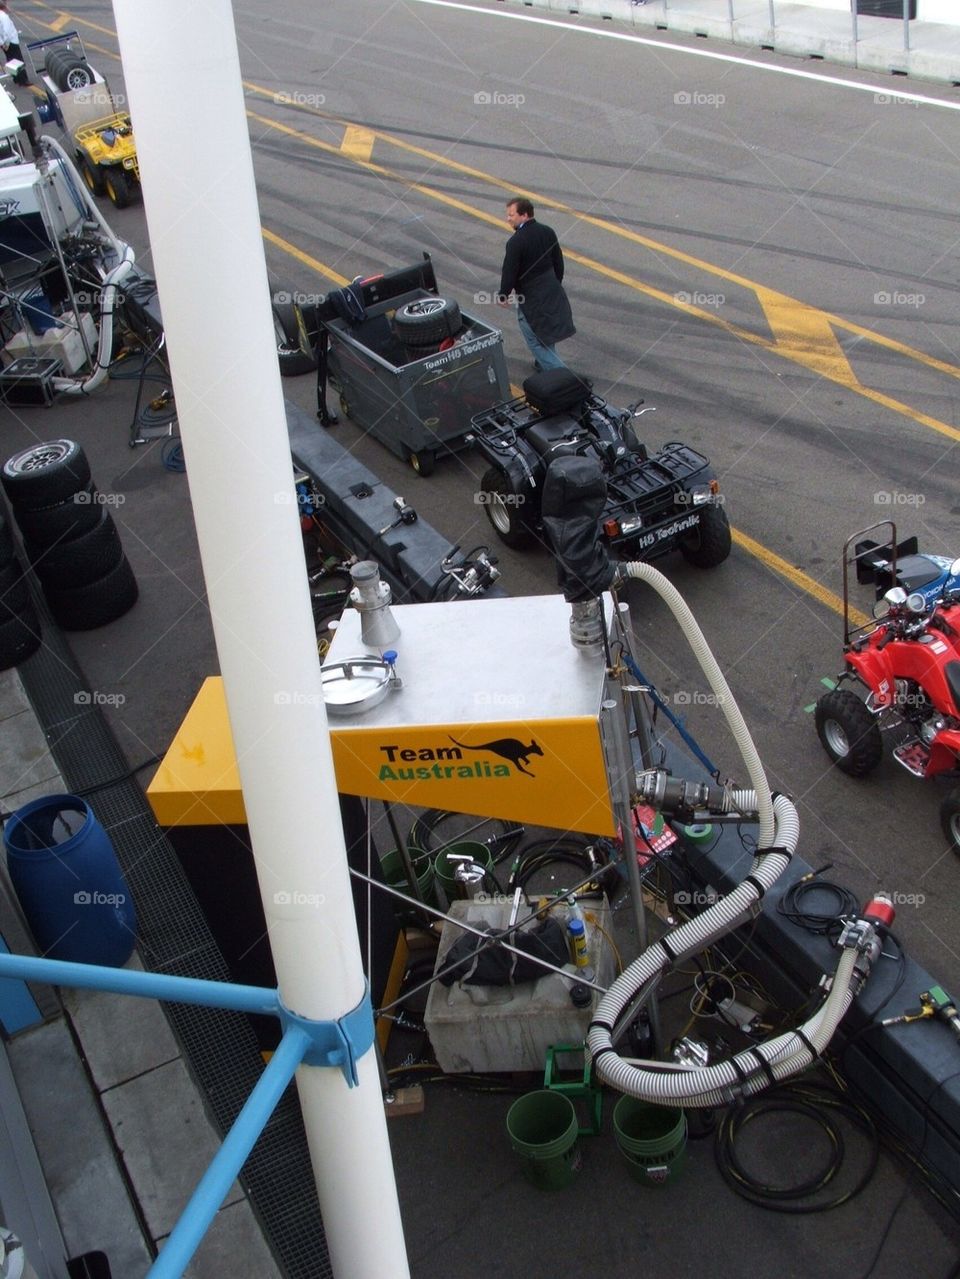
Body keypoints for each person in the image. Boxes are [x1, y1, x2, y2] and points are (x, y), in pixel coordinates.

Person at [497, 197, 575, 371]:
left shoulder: (515, 242)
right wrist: (555, 283)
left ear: (524, 215)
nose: (507, 219)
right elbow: (558, 261)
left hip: (531, 297)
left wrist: (503, 294)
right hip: (551, 288)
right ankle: (543, 363)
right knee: (546, 332)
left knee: (533, 337)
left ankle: (562, 376)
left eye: (511, 215)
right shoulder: (548, 231)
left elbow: (509, 271)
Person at [0, 3, 28, 85]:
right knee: (18, 60)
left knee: (10, 60)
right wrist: (6, 43)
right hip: (11, 41)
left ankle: (16, 78)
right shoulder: (4, 17)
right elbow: (7, 31)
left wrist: (1, 43)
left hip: (3, 42)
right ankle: (23, 80)